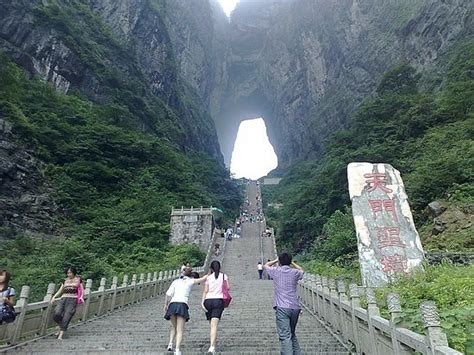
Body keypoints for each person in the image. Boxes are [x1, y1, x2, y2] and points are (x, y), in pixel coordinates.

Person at [264, 253, 304, 355]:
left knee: (285, 336)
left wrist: (276, 260)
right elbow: (302, 271)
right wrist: (292, 264)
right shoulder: (295, 272)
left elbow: (266, 265)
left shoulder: (276, 271)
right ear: (290, 261)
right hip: (295, 307)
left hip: (282, 307)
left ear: (280, 261)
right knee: (292, 334)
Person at [164, 267, 209, 355]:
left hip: (172, 305)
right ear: (191, 275)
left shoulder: (176, 281)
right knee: (180, 329)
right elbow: (203, 278)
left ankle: (170, 344)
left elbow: (168, 294)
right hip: (182, 305)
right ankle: (177, 350)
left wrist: (166, 304)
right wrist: (210, 272)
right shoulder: (190, 281)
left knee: (173, 326)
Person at [201, 260, 229, 354]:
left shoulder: (208, 278)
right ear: (219, 267)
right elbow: (227, 288)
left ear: (211, 268)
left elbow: (205, 291)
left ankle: (212, 345)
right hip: (218, 301)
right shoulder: (224, 276)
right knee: (214, 325)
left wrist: (202, 302)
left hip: (208, 301)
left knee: (211, 325)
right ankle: (212, 347)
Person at [51, 267, 84, 340]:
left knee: (67, 316)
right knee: (57, 313)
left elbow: (82, 290)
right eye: (68, 273)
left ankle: (61, 335)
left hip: (73, 299)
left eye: (70, 272)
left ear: (74, 272)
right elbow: (60, 290)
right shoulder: (65, 280)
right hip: (63, 298)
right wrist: (54, 297)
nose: (69, 274)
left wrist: (81, 297)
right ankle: (61, 326)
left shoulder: (78, 280)